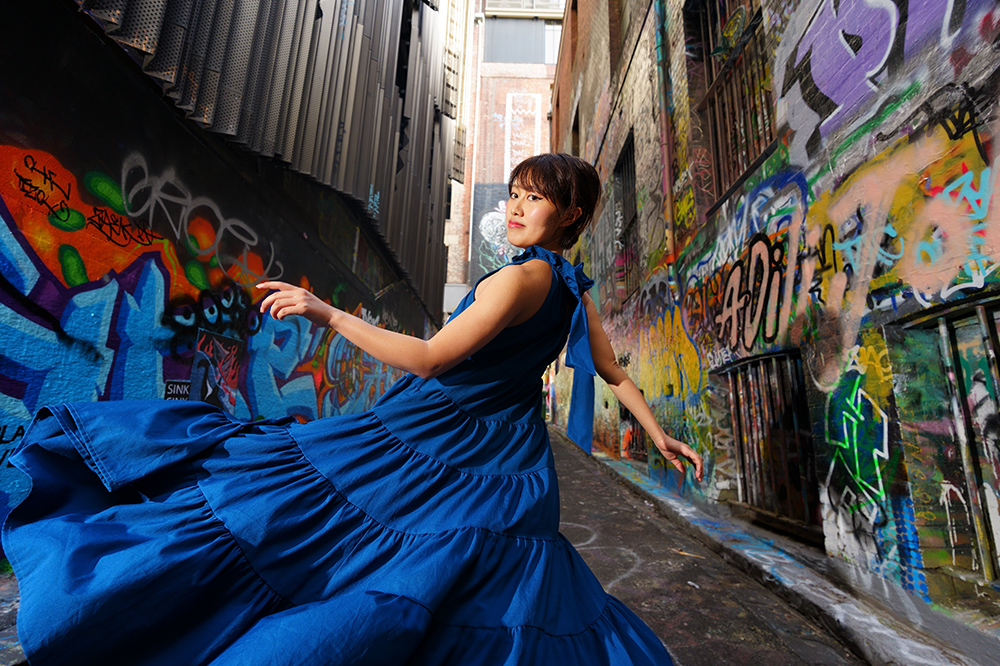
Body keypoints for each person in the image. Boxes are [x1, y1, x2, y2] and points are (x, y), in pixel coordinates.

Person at [3, 153, 702, 665]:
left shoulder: (518, 282)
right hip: (509, 462)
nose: (516, 208)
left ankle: (125, 604)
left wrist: (328, 312)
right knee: (467, 577)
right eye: (514, 194)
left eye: (535, 198)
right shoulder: (574, 291)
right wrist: (659, 436)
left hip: (438, 438)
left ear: (569, 214)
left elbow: (429, 359)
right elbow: (615, 373)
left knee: (295, 517)